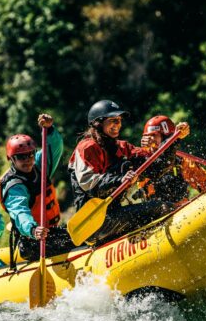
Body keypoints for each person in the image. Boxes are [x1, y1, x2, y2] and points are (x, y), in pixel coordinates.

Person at [68, 100, 184, 244]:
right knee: (162, 207)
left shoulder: (123, 147)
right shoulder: (87, 147)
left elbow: (156, 169)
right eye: (113, 120)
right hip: (95, 223)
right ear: (98, 123)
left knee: (161, 203)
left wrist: (173, 141)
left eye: (119, 121)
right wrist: (120, 179)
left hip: (116, 215)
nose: (118, 125)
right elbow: (90, 186)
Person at [0, 114, 75, 262]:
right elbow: (20, 213)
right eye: (21, 157)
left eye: (30, 154)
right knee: (69, 243)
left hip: (52, 231)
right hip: (31, 241)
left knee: (82, 235)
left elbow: (54, 148)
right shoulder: (14, 186)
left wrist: (49, 129)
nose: (28, 160)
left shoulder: (39, 167)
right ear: (11, 159)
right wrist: (33, 229)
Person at [136, 115, 206, 204]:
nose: (151, 140)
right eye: (148, 136)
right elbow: (156, 168)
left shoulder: (181, 160)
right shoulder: (143, 160)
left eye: (154, 135)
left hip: (182, 209)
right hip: (159, 212)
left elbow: (205, 183)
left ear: (165, 138)